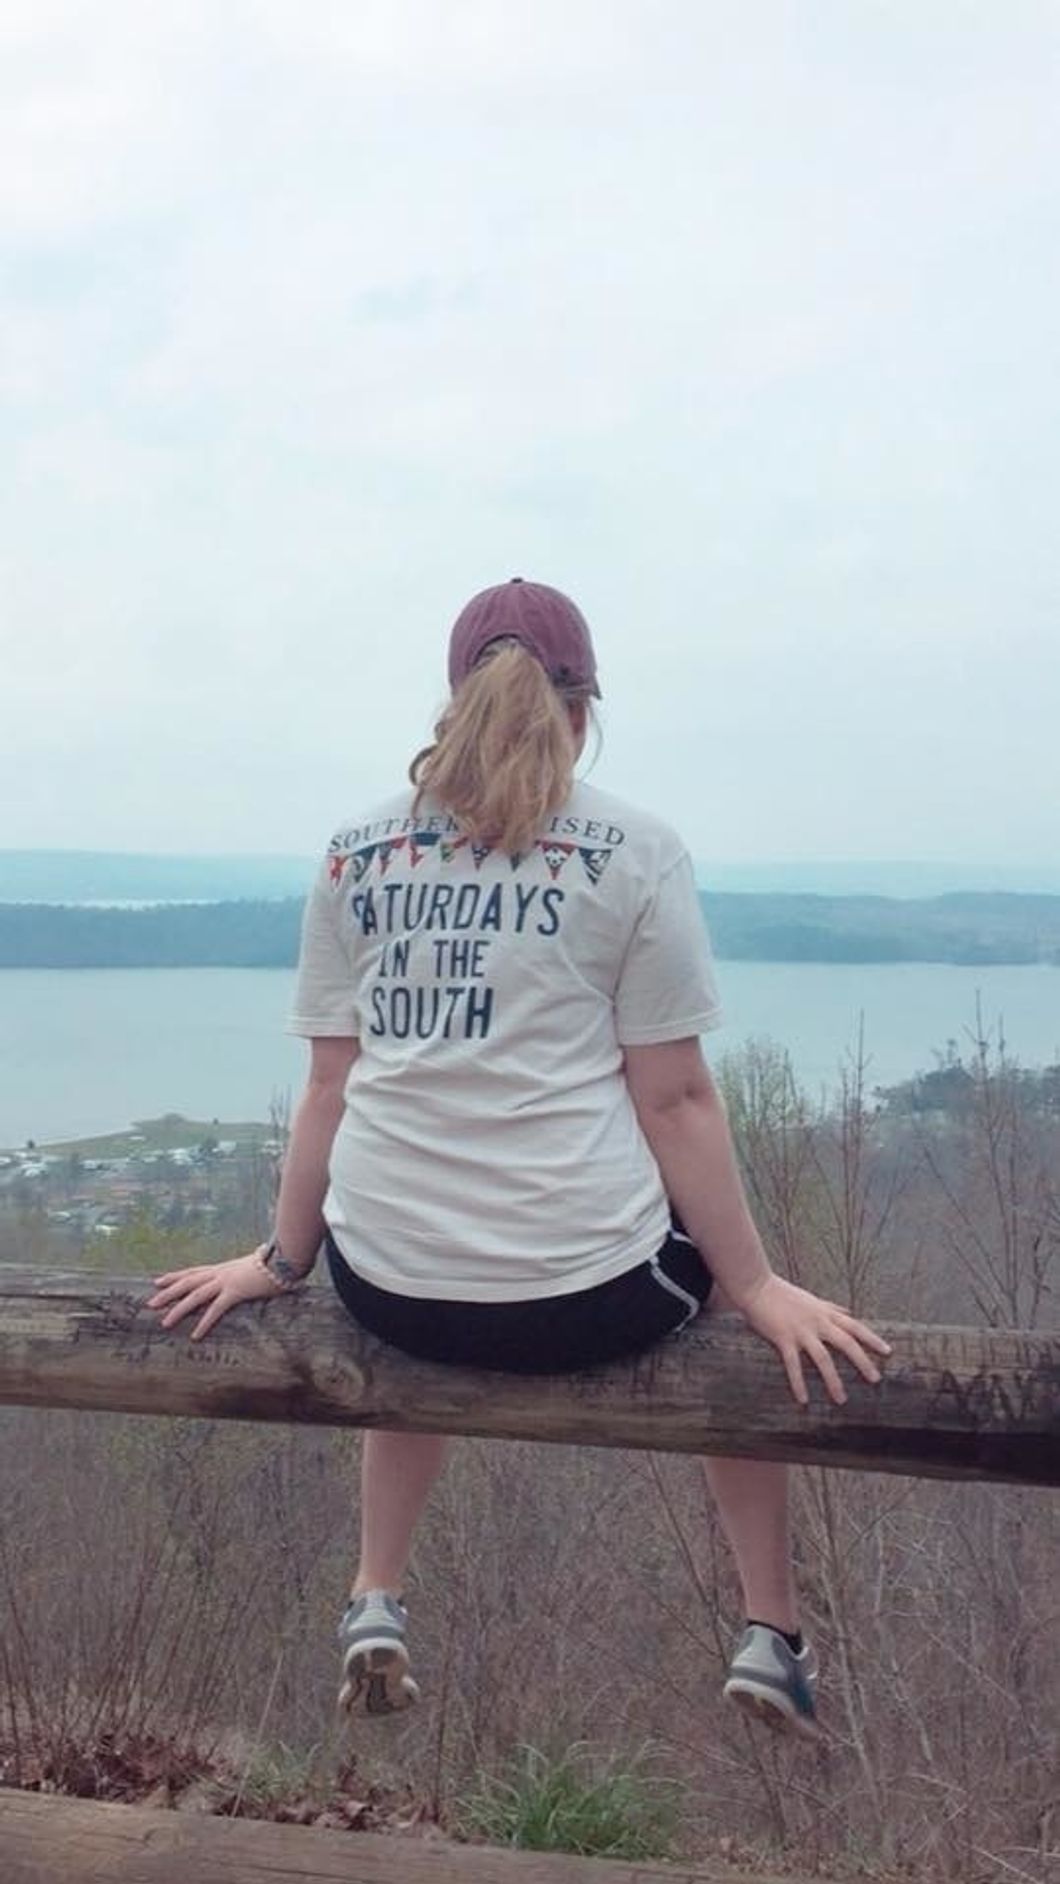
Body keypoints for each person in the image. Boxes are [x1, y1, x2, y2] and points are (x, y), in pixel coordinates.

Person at [148, 578, 890, 1738]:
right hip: (584, 1301)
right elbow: (678, 1098)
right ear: (582, 709)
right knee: (732, 1303)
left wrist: (281, 1262)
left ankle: (375, 1594)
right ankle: (771, 1633)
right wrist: (752, 1284)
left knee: (420, 1248)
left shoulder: (354, 852)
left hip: (387, 1288)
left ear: (455, 700)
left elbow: (331, 1088)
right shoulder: (637, 850)